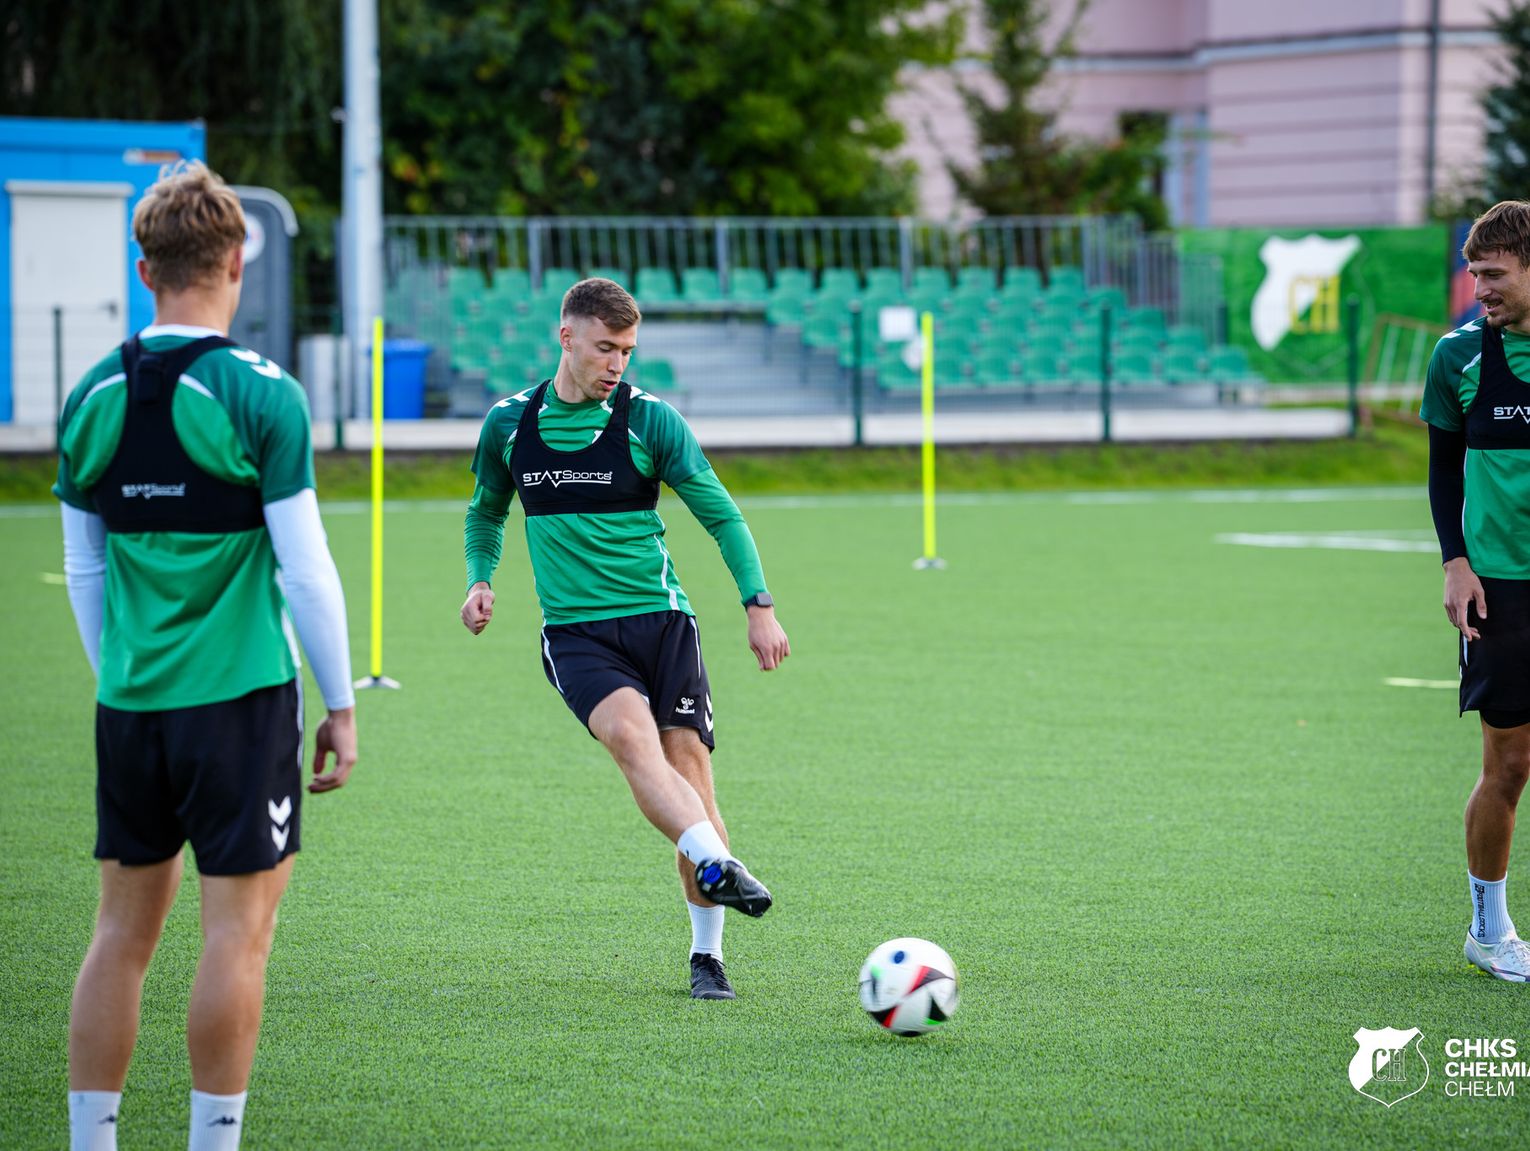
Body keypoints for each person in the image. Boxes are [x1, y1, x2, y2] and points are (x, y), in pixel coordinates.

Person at [54, 161, 358, 1150]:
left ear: (146, 268)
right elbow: (307, 574)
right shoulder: (260, 395)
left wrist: (121, 678)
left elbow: (85, 572)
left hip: (131, 707)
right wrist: (340, 703)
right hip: (239, 708)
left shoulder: (89, 395)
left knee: (119, 935)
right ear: (236, 261)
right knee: (237, 934)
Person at [460, 277, 789, 1001]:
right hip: (577, 634)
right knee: (633, 744)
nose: (617, 363)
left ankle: (708, 954)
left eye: (628, 349)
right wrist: (480, 577)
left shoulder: (650, 421)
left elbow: (722, 515)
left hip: (663, 622)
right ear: (566, 337)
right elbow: (486, 510)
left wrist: (757, 603)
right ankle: (716, 861)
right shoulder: (509, 424)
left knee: (689, 775)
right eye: (606, 347)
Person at [1422, 199, 1530, 982]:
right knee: (1510, 764)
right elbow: (1441, 467)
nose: (1478, 288)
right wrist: (1455, 560)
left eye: (1492, 275)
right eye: (1473, 273)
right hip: (1502, 592)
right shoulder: (1457, 356)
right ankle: (1489, 930)